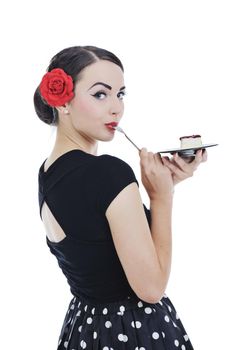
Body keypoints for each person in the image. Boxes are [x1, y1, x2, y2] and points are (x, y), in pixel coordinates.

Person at [34, 45, 207, 350]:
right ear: (63, 102)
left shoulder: (48, 174)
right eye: (100, 94)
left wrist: (168, 183)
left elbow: (100, 249)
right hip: (134, 331)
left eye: (121, 94)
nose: (116, 108)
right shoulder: (109, 174)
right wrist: (162, 198)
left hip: (85, 329)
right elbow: (151, 288)